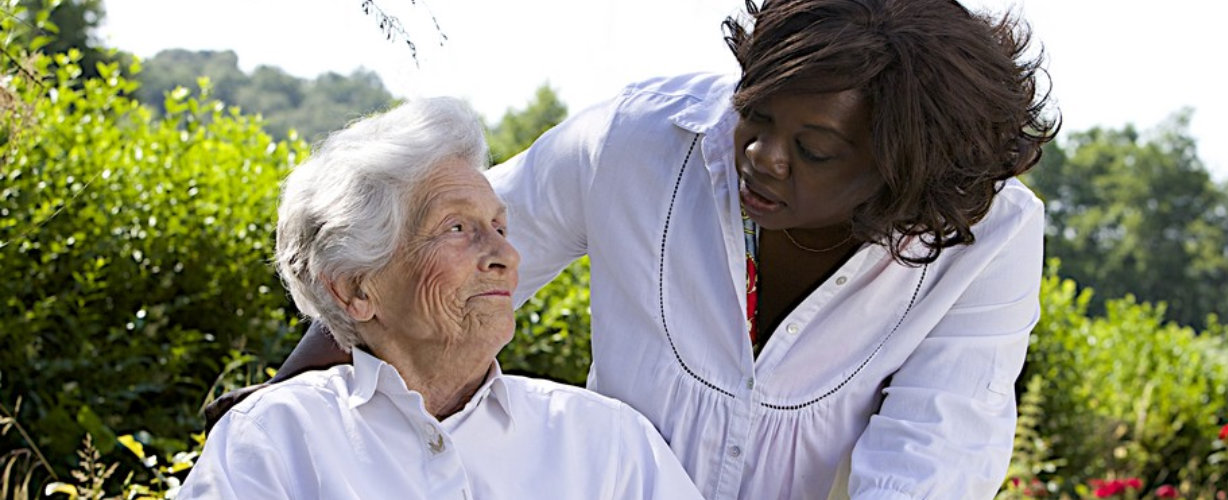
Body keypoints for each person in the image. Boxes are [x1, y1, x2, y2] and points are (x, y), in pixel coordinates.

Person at [208, 0, 1059, 498]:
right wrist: (278, 406)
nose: (761, 157)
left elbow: (929, 460)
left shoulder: (990, 240)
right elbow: (421, 258)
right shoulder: (640, 141)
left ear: (902, 163)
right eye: (755, 117)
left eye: (816, 150)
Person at [181, 97, 702, 499]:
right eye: (457, 227)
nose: (506, 255)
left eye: (500, 225)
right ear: (355, 287)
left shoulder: (607, 442)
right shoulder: (276, 438)